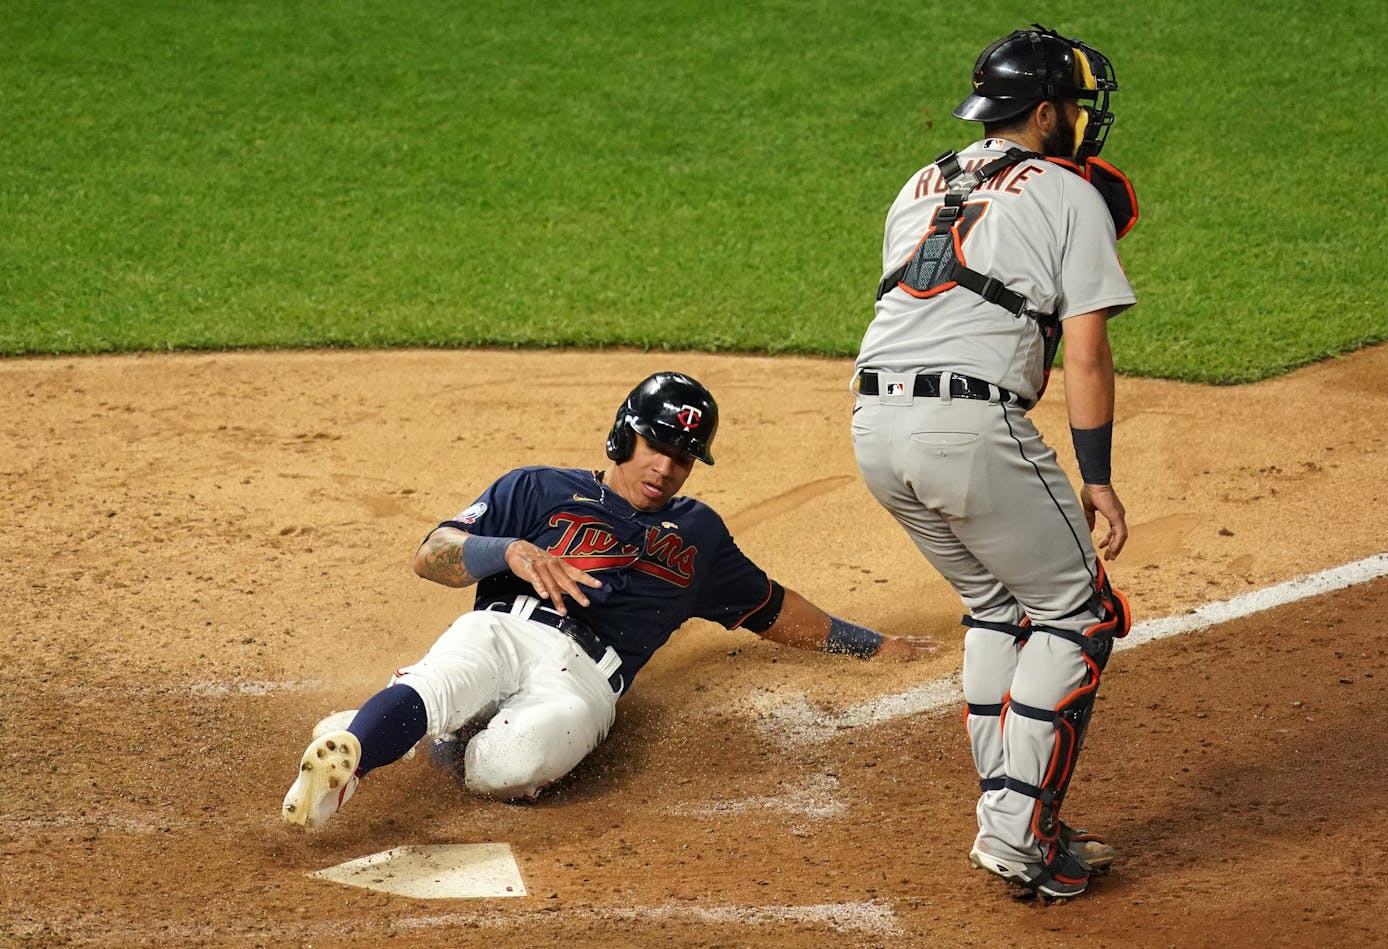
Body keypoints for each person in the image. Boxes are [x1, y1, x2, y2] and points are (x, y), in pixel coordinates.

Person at [282, 371, 938, 832]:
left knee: (510, 764)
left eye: (684, 457)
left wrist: (873, 645)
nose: (667, 467)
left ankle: (431, 734)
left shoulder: (700, 534)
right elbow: (432, 554)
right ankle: (348, 764)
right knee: (445, 677)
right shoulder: (538, 487)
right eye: (658, 445)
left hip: (588, 681)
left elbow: (770, 608)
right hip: (502, 628)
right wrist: (508, 552)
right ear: (625, 434)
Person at [849, 25, 1138, 899]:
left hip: (871, 426)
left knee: (994, 603)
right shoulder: (1067, 191)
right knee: (1077, 613)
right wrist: (1096, 477)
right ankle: (1017, 833)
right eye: (1077, 108)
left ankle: (1013, 809)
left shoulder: (919, 181)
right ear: (1044, 111)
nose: (1084, 122)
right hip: (969, 430)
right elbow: (1084, 351)